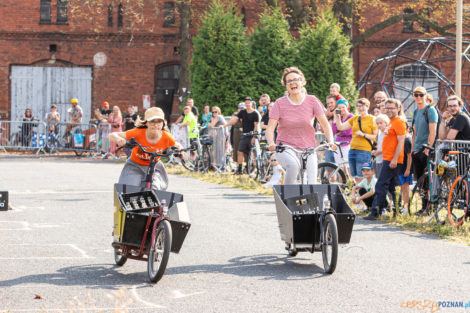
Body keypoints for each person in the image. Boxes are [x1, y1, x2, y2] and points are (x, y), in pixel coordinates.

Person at [265, 66, 336, 184]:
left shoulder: (312, 100)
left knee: (312, 177)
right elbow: (270, 128)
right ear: (286, 85)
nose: (293, 83)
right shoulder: (279, 103)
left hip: (308, 148)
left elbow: (325, 124)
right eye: (289, 81)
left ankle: (312, 200)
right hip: (285, 148)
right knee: (293, 166)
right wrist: (271, 143)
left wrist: (331, 141)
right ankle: (288, 195)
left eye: (296, 79)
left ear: (302, 82)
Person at [109, 107, 182, 191]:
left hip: (154, 167)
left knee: (156, 190)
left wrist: (180, 152)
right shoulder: (138, 132)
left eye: (159, 122)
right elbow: (112, 135)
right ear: (146, 123)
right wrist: (119, 139)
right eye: (152, 122)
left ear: (163, 124)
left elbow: (178, 146)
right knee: (129, 190)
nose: (155, 125)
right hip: (135, 165)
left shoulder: (166, 137)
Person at [365, 98, 406, 220]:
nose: (389, 110)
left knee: (380, 185)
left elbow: (401, 142)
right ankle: (397, 211)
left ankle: (375, 212)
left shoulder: (399, 122)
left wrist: (394, 159)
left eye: (392, 108)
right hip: (387, 158)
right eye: (387, 108)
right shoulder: (391, 122)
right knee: (392, 186)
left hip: (392, 160)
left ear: (398, 109)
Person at [335, 98, 378, 184]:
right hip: (352, 149)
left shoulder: (372, 119)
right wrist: (338, 117)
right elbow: (341, 128)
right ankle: (359, 195)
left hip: (364, 151)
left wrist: (363, 134)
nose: (360, 108)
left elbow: (375, 137)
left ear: (367, 107)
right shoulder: (355, 118)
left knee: (362, 175)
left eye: (362, 106)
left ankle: (363, 195)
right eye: (358, 106)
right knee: (355, 176)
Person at [410, 86, 438, 213]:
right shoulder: (416, 111)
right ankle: (423, 206)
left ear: (426, 95)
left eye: (421, 95)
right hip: (416, 150)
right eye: (416, 95)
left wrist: (428, 148)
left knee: (427, 180)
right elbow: (415, 132)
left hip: (426, 150)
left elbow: (433, 131)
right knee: (420, 181)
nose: (418, 97)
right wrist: (412, 150)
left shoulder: (430, 110)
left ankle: (429, 207)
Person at [223, 97, 259, 175]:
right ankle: (239, 169)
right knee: (240, 151)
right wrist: (224, 125)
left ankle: (254, 169)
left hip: (252, 135)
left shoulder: (255, 113)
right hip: (244, 135)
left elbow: (256, 126)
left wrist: (254, 137)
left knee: (252, 153)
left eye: (249, 103)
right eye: (246, 103)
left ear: (251, 103)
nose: (247, 104)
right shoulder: (242, 112)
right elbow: (234, 120)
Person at [331, 99, 353, 170]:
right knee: (340, 168)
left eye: (343, 107)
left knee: (348, 166)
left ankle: (349, 181)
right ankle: (342, 181)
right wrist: (335, 117)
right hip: (338, 145)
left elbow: (348, 132)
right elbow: (334, 131)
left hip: (348, 144)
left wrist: (340, 131)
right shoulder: (339, 117)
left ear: (347, 107)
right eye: (339, 108)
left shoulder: (351, 117)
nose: (341, 109)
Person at [398, 133, 413, 214]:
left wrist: (408, 169)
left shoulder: (406, 141)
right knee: (402, 188)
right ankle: (404, 206)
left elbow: (409, 156)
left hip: (405, 168)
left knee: (405, 187)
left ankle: (407, 207)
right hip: (400, 167)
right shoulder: (399, 139)